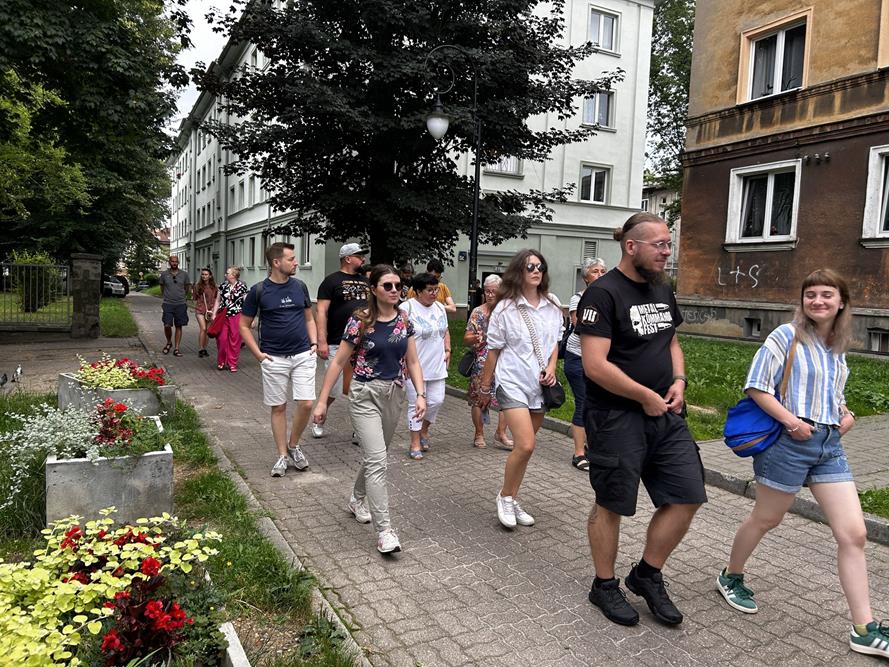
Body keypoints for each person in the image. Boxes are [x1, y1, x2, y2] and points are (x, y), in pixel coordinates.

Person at [716, 269, 888, 657]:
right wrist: (792, 422)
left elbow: (831, 392)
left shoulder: (838, 345)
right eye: (811, 295)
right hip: (789, 444)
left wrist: (845, 414)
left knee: (854, 534)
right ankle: (731, 575)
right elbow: (757, 386)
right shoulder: (785, 336)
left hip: (828, 445)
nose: (818, 302)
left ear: (841, 302)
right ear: (803, 301)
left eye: (827, 295)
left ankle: (863, 628)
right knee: (766, 519)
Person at [576, 212, 706, 628]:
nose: (667, 252)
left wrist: (679, 380)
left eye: (669, 244)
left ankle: (646, 574)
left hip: (666, 414)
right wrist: (644, 395)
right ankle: (605, 584)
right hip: (616, 417)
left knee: (687, 494)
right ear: (632, 246)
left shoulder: (662, 288)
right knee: (611, 503)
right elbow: (595, 366)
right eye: (660, 245)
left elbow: (671, 341)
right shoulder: (603, 294)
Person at [313, 265, 426, 554]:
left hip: (394, 394)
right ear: (374, 289)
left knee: (377, 456)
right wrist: (323, 401)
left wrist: (421, 395)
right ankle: (385, 531)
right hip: (364, 395)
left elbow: (412, 362)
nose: (394, 290)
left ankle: (356, 499)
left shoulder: (404, 321)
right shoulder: (359, 321)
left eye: (398, 285)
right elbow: (338, 363)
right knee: (378, 461)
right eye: (387, 285)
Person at [478, 250, 563, 530]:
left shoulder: (552, 305)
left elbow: (554, 343)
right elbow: (493, 351)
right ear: (519, 271)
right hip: (511, 381)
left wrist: (552, 368)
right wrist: (485, 387)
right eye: (530, 267)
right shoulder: (505, 308)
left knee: (526, 450)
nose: (536, 271)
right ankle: (504, 497)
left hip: (539, 385)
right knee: (525, 443)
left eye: (540, 266)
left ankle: (512, 497)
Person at [240, 242, 318, 478]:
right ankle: (282, 455)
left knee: (306, 403)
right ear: (276, 262)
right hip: (273, 357)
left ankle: (294, 445)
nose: (296, 262)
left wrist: (314, 343)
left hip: (303, 354)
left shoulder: (300, 287)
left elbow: (309, 318)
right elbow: (243, 325)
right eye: (291, 259)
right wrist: (258, 354)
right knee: (279, 407)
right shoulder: (258, 291)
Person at [314, 243, 369, 440]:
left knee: (359, 388)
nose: (363, 259)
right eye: (359, 256)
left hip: (363, 344)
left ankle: (360, 428)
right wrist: (321, 340)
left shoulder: (366, 281)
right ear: (348, 258)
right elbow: (321, 311)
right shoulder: (331, 281)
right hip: (337, 341)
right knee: (335, 387)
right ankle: (320, 417)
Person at [400, 272, 450, 460]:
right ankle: (414, 443)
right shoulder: (407, 308)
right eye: (430, 290)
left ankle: (424, 430)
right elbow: (399, 335)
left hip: (437, 365)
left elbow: (445, 330)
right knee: (416, 406)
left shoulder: (440, 308)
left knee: (436, 401)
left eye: (436, 289)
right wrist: (402, 361)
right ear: (418, 291)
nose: (434, 293)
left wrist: (448, 349)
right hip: (415, 367)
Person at [564, 258, 607, 471]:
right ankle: (579, 454)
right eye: (595, 271)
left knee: (596, 404)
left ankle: (592, 446)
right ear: (585, 277)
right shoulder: (578, 298)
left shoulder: (608, 297)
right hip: (577, 357)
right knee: (583, 402)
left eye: (603, 271)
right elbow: (578, 325)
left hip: (599, 359)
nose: (600, 274)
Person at [464, 274, 513, 449]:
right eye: (487, 291)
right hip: (483, 360)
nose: (490, 295)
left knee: (507, 397)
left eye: (494, 291)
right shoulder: (478, 312)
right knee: (478, 397)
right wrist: (475, 338)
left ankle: (501, 433)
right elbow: (466, 337)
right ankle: (479, 434)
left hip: (505, 359)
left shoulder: (508, 311)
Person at [212, 266, 248, 372]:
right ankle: (221, 361)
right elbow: (218, 301)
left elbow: (246, 303)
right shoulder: (222, 286)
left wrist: (249, 317)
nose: (225, 275)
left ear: (233, 275)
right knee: (221, 339)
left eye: (227, 273)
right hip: (223, 315)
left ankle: (232, 363)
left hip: (237, 315)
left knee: (235, 340)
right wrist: (214, 314)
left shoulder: (242, 286)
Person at [159, 255, 191, 356]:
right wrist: (166, 296)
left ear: (178, 263)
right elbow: (162, 287)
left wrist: (182, 296)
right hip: (168, 303)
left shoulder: (184, 274)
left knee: (179, 325)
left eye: (176, 262)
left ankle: (176, 348)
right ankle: (169, 342)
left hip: (180, 304)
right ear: (169, 262)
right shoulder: (164, 274)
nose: (174, 263)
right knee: (167, 325)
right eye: (172, 261)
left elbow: (187, 288)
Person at [192, 267, 218, 358]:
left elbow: (216, 299)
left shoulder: (215, 287)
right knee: (203, 328)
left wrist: (214, 310)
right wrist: (196, 306)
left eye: (206, 274)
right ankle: (200, 348)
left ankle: (204, 348)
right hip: (200, 310)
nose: (204, 276)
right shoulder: (197, 285)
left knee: (207, 330)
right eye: (202, 274)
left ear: (210, 276)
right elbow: (194, 298)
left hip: (210, 311)